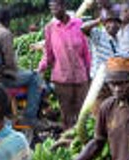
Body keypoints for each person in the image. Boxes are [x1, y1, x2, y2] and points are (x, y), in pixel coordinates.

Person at [0, 8, 43, 128]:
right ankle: (30, 117)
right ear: (8, 21)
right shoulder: (5, 33)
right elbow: (10, 62)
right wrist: (17, 70)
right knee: (35, 77)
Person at [39, 0, 92, 128]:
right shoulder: (50, 28)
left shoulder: (78, 24)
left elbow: (86, 52)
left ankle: (82, 141)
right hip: (61, 78)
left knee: (82, 114)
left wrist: (89, 73)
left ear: (64, 7)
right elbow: (48, 54)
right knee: (67, 114)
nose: (54, 12)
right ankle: (68, 141)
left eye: (56, 8)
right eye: (51, 9)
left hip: (81, 77)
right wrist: (40, 68)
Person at [84, 3, 129, 77]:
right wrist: (98, 20)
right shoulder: (99, 34)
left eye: (117, 22)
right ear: (104, 24)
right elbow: (83, 28)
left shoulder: (118, 40)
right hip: (97, 77)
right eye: (110, 22)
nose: (113, 25)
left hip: (111, 77)